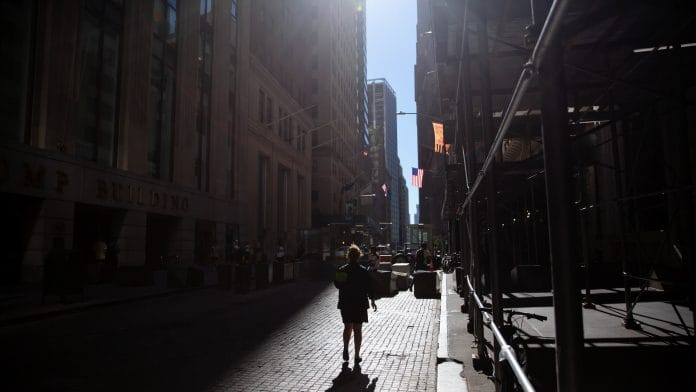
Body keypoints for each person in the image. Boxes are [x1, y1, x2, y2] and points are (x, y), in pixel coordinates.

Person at [334, 244, 377, 365]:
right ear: (359, 257)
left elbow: (337, 285)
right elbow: (370, 287)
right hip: (360, 303)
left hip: (346, 302)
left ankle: (346, 349)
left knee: (347, 327)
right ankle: (357, 355)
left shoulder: (342, 270)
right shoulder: (364, 271)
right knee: (358, 329)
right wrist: (372, 300)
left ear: (348, 256)